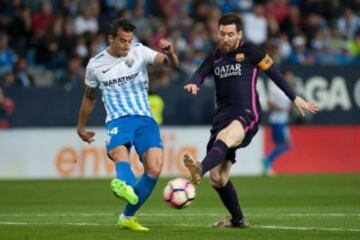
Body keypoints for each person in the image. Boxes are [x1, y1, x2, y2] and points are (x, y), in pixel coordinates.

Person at [183, 13, 318, 228]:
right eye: (221, 34)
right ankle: (238, 220)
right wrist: (194, 83)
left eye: (229, 34)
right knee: (218, 179)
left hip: (247, 112)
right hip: (222, 116)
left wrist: (294, 97)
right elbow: (199, 73)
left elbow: (274, 73)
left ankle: (200, 168)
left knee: (226, 136)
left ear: (239, 34)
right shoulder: (215, 55)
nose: (225, 39)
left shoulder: (252, 50)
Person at [76, 18, 178, 231]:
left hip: (145, 120)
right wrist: (81, 126)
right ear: (110, 38)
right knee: (120, 154)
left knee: (155, 167)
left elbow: (170, 64)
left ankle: (127, 217)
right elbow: (90, 97)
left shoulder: (139, 51)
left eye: (129, 40)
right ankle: (125, 185)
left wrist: (169, 52)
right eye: (122, 40)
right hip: (118, 120)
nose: (126, 45)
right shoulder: (95, 65)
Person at [263, 69, 293, 175]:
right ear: (284, 76)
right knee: (286, 145)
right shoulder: (275, 88)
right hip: (277, 121)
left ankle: (267, 166)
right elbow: (269, 103)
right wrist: (282, 108)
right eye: (289, 76)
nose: (291, 78)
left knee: (281, 145)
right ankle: (267, 160)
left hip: (283, 121)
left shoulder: (287, 89)